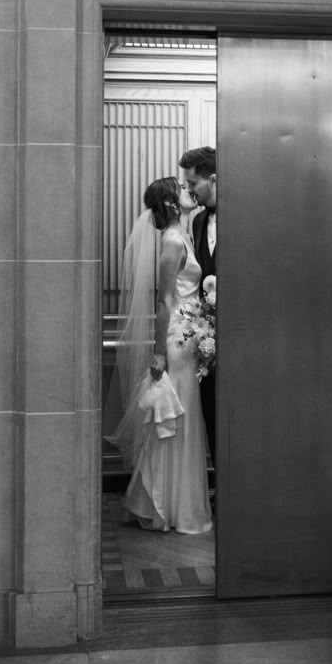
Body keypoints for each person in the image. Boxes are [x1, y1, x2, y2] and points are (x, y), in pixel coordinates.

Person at [106, 176, 213, 534]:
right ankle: (169, 506)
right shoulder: (171, 241)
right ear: (170, 203)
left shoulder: (184, 235)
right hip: (176, 340)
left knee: (183, 418)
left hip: (189, 335)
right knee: (175, 420)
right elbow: (164, 300)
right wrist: (158, 354)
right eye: (183, 189)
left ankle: (175, 503)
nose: (190, 190)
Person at [178, 147, 217, 469]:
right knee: (210, 411)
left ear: (213, 179)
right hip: (207, 341)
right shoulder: (199, 219)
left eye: (193, 183)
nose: (189, 190)